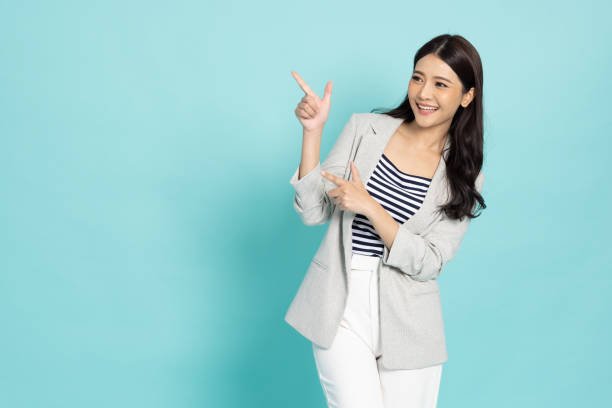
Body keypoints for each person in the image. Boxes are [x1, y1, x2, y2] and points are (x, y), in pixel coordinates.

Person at [286, 34, 487, 408]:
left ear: (466, 96)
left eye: (441, 84)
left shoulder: (463, 172)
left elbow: (430, 262)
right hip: (340, 300)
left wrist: (372, 209)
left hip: (409, 318)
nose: (424, 93)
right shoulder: (365, 129)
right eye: (417, 78)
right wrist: (312, 134)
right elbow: (314, 210)